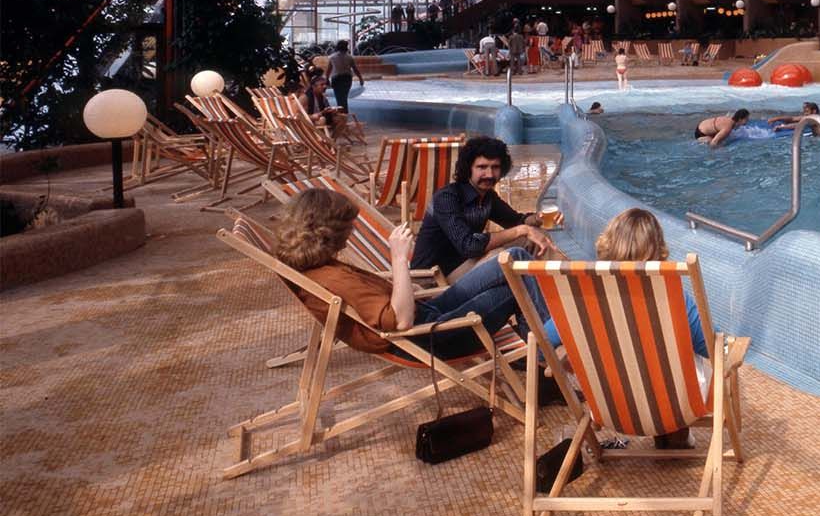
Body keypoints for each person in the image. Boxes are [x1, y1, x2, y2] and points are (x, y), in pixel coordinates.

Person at [275, 188, 550, 361]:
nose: (351, 232)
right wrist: (398, 258)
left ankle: (544, 347)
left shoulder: (317, 267)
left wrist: (407, 288)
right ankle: (547, 354)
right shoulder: (335, 279)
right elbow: (403, 321)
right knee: (517, 285)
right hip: (433, 338)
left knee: (515, 257)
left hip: (429, 314)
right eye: (348, 226)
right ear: (330, 232)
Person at [592, 208, 710, 448]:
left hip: (613, 403)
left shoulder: (586, 294)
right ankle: (674, 430)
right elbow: (708, 346)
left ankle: (667, 429)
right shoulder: (670, 293)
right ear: (658, 249)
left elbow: (545, 342)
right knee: (694, 359)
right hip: (672, 402)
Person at [411, 136, 556, 282]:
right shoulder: (447, 197)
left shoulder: (487, 197)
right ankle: (526, 289)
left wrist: (539, 218)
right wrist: (521, 230)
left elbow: (516, 220)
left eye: (495, 167)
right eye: (482, 167)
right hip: (434, 278)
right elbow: (469, 246)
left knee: (537, 237)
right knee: (498, 257)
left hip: (466, 264)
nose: (490, 175)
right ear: (468, 169)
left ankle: (540, 285)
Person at [324, 40, 363, 113]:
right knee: (344, 97)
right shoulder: (349, 57)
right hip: (347, 79)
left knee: (339, 98)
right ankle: (344, 112)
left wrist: (327, 79)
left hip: (336, 79)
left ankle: (342, 113)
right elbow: (355, 69)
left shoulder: (332, 57)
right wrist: (360, 79)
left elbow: (328, 70)